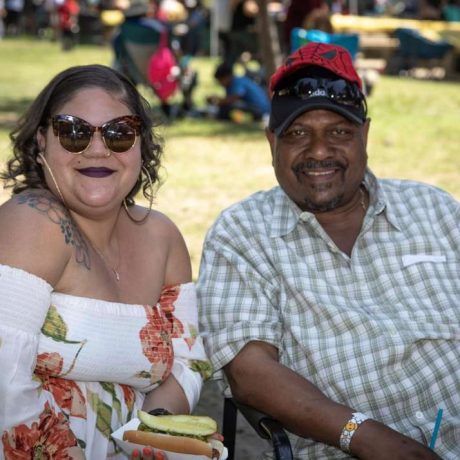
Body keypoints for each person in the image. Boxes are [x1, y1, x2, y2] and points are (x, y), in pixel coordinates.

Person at [197, 42, 460, 459]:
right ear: (271, 142)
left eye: (339, 132)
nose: (319, 151)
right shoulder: (243, 234)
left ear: (365, 135)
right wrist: (370, 438)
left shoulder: (436, 209)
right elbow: (250, 372)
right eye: (298, 134)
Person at [0, 64, 211, 459]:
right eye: (73, 131)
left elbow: (190, 364)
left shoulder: (161, 235)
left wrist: (145, 437)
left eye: (119, 133)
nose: (97, 149)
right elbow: (3, 388)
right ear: (41, 140)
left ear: (141, 145)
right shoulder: (31, 221)